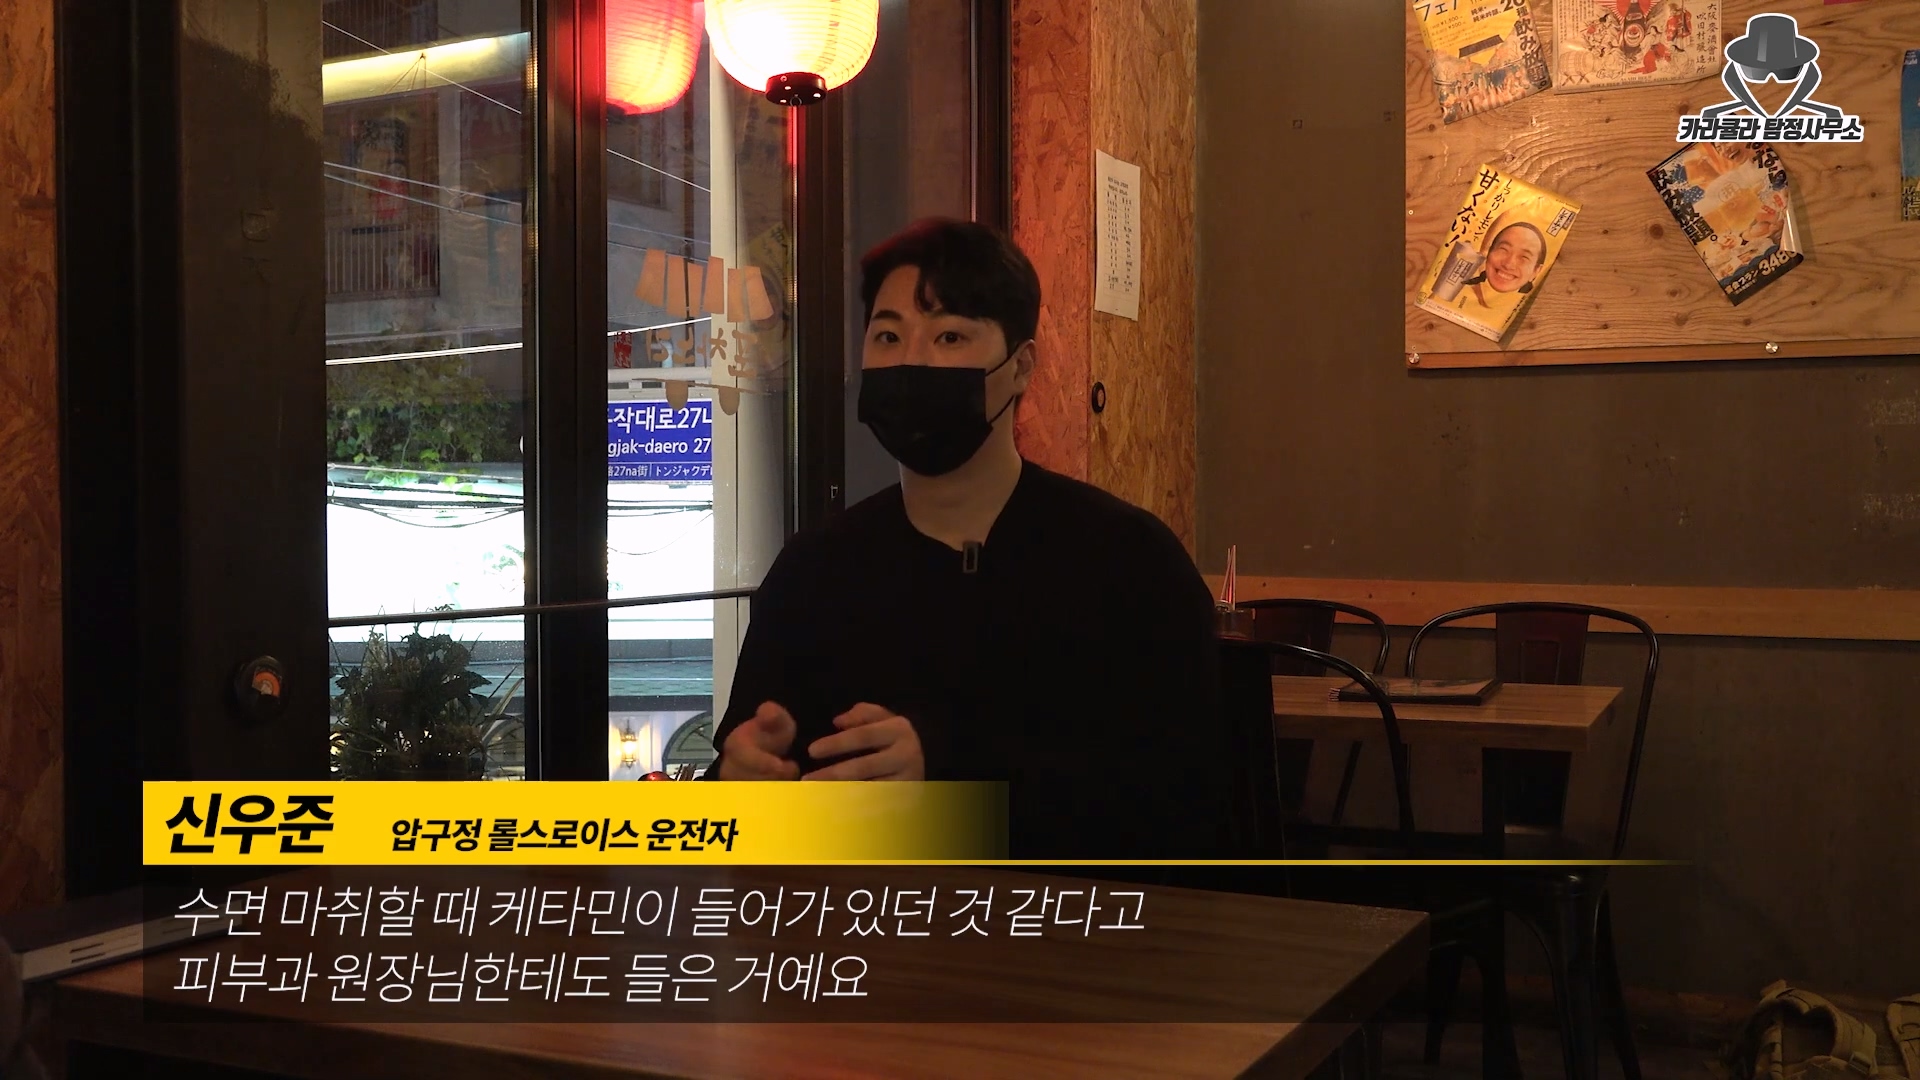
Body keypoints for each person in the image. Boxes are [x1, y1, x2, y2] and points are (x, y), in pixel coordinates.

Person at [704, 218, 1233, 861]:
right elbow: (743, 809)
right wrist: (740, 781)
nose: (912, 360)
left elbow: (1185, 807)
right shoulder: (813, 570)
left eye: (949, 335)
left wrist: (948, 785)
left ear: (1021, 367)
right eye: (888, 336)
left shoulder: (1130, 562)